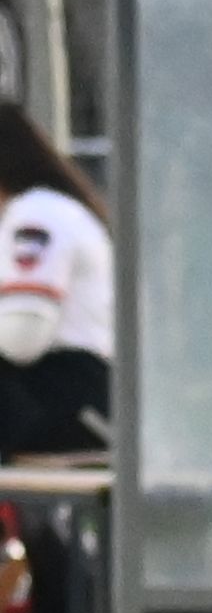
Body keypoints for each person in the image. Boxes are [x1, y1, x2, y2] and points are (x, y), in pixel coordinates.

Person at [0, 103, 112, 462]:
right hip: (76, 395)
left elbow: (22, 338)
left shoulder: (37, 214)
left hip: (70, 397)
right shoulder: (45, 209)